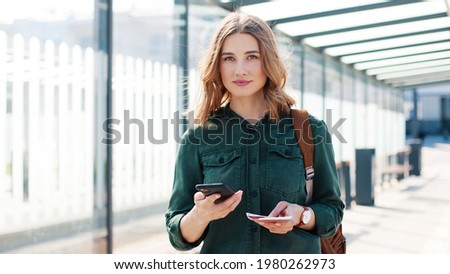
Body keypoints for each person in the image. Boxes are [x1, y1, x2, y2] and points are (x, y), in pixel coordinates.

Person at [165, 12, 344, 254]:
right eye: (229, 58)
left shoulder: (310, 129)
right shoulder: (198, 138)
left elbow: (332, 209)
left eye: (252, 57)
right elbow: (178, 235)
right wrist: (201, 215)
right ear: (217, 65)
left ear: (268, 61)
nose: (240, 70)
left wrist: (301, 216)